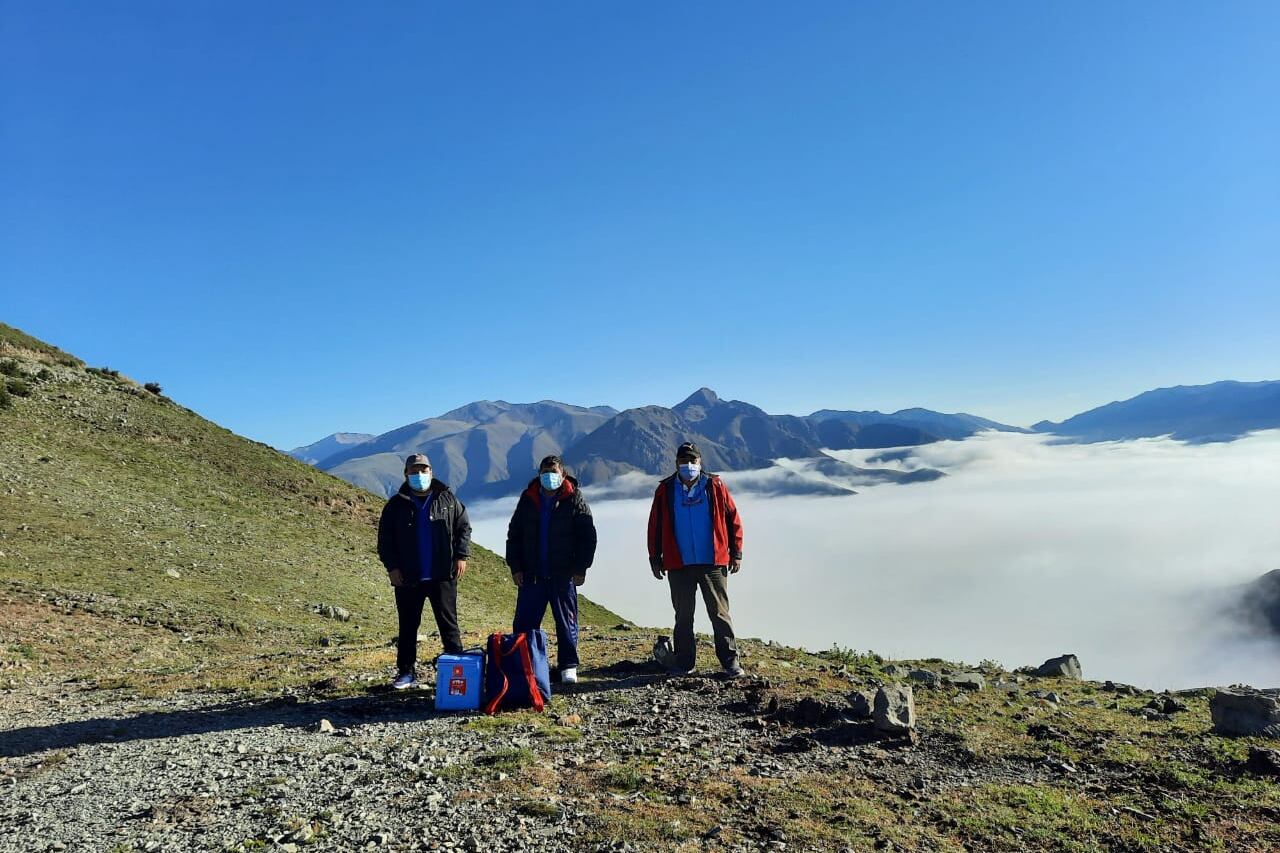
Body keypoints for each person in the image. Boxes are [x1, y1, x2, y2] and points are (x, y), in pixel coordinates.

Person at [647, 441, 744, 677]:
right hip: (678, 563)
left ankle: (730, 662)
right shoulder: (666, 489)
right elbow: (655, 525)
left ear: (700, 462)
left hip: (713, 561)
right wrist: (655, 557)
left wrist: (736, 552)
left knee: (719, 614)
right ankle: (684, 663)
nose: (689, 465)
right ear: (676, 463)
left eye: (693, 461)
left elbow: (733, 518)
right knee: (683, 616)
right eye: (684, 461)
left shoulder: (715, 485)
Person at [377, 453, 471, 689]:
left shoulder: (447, 499)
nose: (419, 475)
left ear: (431, 472)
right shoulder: (396, 504)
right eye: (414, 471)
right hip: (409, 577)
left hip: (443, 575)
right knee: (408, 627)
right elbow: (385, 540)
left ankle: (456, 669)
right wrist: (392, 568)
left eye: (423, 470)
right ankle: (406, 672)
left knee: (449, 625)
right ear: (406, 475)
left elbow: (463, 528)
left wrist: (461, 555)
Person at [505, 455, 597, 684]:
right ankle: (526, 666)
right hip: (532, 575)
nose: (550, 476)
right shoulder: (528, 499)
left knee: (567, 622)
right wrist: (516, 567)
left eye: (554, 471)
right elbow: (514, 535)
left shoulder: (574, 498)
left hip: (563, 574)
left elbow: (588, 536)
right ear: (539, 473)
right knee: (525, 624)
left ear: (563, 474)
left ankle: (568, 666)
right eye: (545, 471)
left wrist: (581, 568)